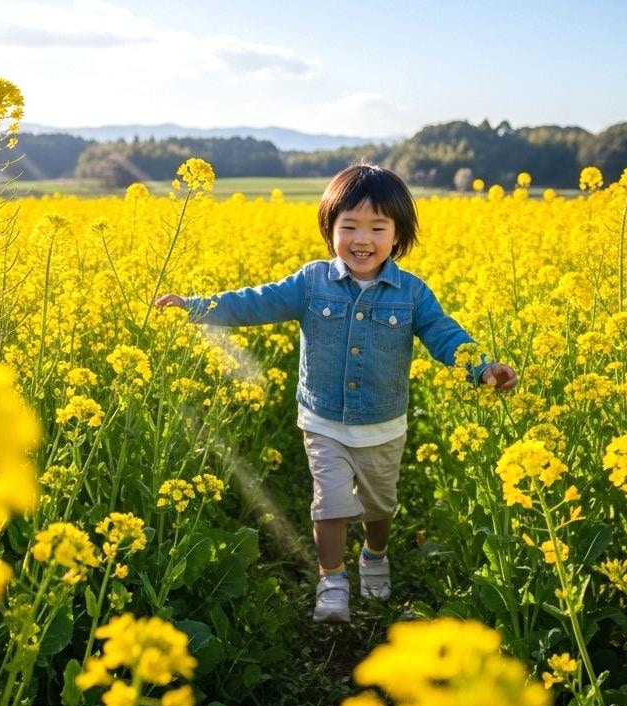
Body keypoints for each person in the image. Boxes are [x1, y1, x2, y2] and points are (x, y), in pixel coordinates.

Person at [154, 163, 517, 623]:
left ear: (397, 236)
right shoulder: (311, 283)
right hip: (323, 420)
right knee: (329, 503)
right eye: (349, 226)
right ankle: (332, 579)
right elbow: (255, 301)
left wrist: (482, 369)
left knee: (378, 507)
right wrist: (196, 306)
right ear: (330, 230)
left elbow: (444, 335)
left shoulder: (413, 293)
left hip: (383, 425)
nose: (362, 239)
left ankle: (375, 556)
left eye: (377, 228)